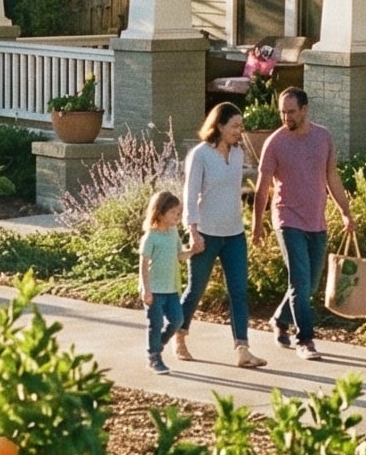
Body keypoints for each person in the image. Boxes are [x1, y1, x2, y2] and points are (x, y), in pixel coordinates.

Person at [250, 85, 354, 361]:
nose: (286, 117)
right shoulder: (275, 143)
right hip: (287, 219)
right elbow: (262, 188)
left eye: (291, 112)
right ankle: (304, 339)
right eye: (283, 112)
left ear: (305, 110)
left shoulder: (323, 138)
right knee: (299, 280)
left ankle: (279, 319)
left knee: (309, 284)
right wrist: (257, 224)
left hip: (316, 221)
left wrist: (345, 211)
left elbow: (332, 177)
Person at [176, 102, 265, 368]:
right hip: (206, 233)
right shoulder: (200, 155)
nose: (240, 131)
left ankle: (242, 349)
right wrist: (192, 231)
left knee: (239, 292)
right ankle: (178, 337)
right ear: (219, 126)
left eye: (241, 126)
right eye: (235, 126)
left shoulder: (238, 154)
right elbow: (190, 195)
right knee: (195, 290)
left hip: (234, 234)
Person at [138, 189, 188, 373]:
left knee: (177, 320)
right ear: (160, 213)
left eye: (178, 212)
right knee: (155, 324)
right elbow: (143, 264)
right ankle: (154, 358)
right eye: (173, 213)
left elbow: (179, 255)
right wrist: (146, 289)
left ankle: (157, 345)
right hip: (154, 289)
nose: (177, 216)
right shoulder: (151, 236)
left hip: (171, 288)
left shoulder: (173, 232)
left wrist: (192, 252)